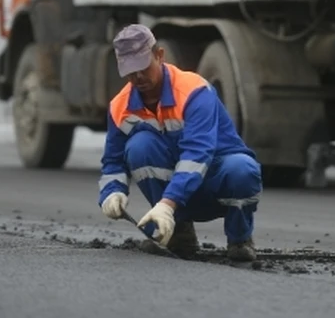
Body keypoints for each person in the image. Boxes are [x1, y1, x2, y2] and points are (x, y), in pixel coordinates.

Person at [97, 24, 262, 261]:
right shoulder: (119, 107)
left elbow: (197, 156)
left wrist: (167, 205)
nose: (139, 77)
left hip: (215, 182)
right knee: (139, 146)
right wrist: (112, 193)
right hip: (178, 196)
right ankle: (179, 234)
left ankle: (239, 239)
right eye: (131, 72)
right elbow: (112, 162)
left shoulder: (194, 91)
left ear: (159, 55)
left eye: (143, 67)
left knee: (242, 169)